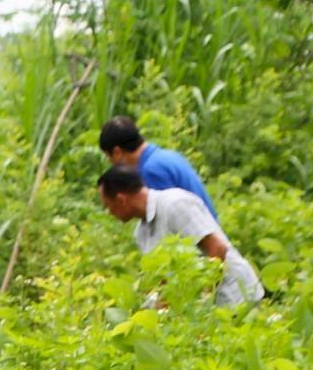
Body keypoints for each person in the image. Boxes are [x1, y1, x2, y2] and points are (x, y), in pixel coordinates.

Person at [97, 166, 265, 307]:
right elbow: (162, 280)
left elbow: (217, 249)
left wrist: (202, 300)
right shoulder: (141, 233)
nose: (109, 213)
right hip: (204, 310)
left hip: (236, 296)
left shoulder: (175, 204)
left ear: (121, 199)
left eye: (108, 206)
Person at [99, 115, 218, 220]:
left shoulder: (151, 171)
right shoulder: (165, 155)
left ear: (117, 152)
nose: (112, 163)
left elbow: (165, 219)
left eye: (109, 157)